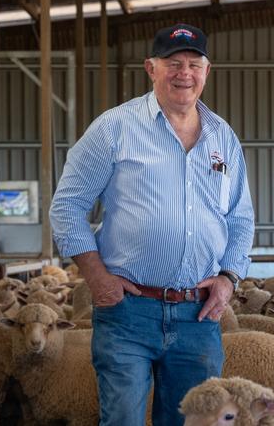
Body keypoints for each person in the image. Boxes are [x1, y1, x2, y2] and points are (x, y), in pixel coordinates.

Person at [49, 23, 255, 426]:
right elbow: (67, 207)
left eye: (194, 64)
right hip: (128, 311)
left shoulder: (222, 138)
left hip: (198, 316)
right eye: (173, 63)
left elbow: (241, 218)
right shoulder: (115, 128)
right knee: (123, 418)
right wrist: (97, 278)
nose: (184, 73)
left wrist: (230, 277)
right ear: (151, 68)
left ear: (206, 71)